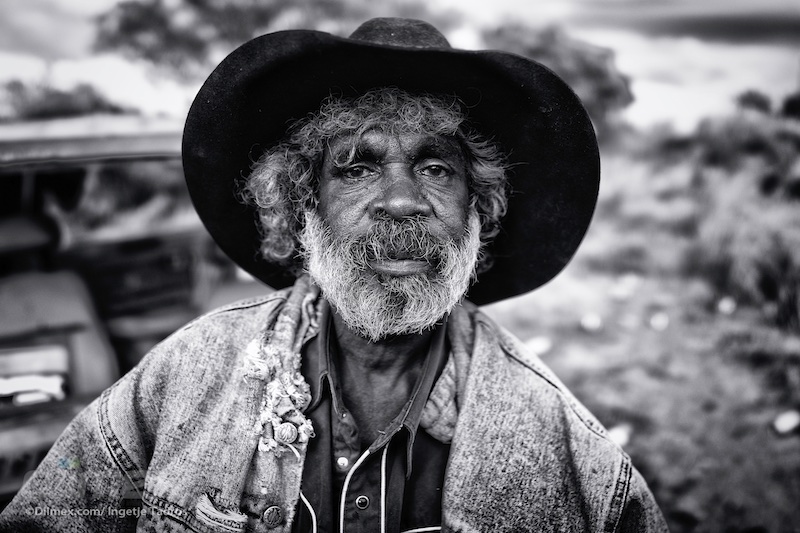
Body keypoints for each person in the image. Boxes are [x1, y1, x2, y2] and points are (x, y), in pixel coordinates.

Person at [0, 17, 668, 533]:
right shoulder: (184, 376)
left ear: (479, 211)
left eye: (437, 168)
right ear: (302, 203)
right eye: (356, 165)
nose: (401, 200)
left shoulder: (566, 449)